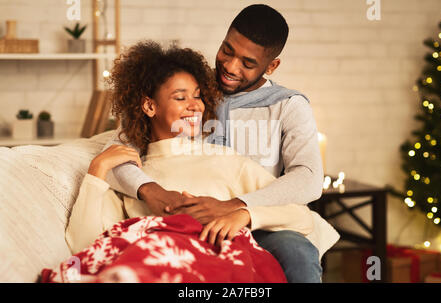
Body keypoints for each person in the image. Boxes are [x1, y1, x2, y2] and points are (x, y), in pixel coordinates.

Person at [103, 5, 339, 282]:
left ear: (272, 65)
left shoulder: (288, 106)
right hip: (188, 221)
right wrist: (149, 189)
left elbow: (309, 179)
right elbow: (116, 151)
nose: (229, 66)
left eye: (247, 63)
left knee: (296, 251)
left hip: (259, 220)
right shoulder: (192, 90)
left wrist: (238, 207)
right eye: (227, 50)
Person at [66, 41, 314, 259]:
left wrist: (243, 215)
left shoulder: (225, 160)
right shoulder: (130, 177)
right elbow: (84, 246)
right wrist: (97, 170)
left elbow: (302, 217)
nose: (195, 106)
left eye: (197, 96)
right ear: (150, 106)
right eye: (180, 97)